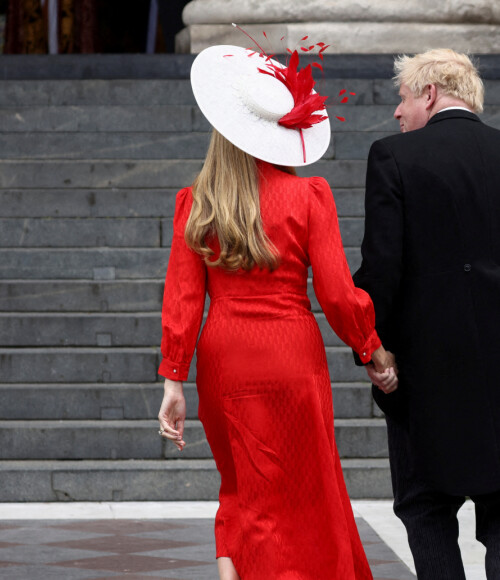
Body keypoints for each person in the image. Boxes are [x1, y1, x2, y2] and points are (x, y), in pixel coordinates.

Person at [157, 38, 396, 579]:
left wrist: (173, 379)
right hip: (292, 350)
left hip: (225, 355)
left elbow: (183, 298)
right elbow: (336, 293)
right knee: (308, 488)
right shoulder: (310, 195)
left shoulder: (196, 202)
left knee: (241, 484)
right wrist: (372, 349)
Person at [353, 48, 500, 579]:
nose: (397, 111)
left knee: (424, 506)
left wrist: (371, 345)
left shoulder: (394, 157)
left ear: (431, 93)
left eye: (404, 97)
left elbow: (382, 267)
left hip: (426, 371)